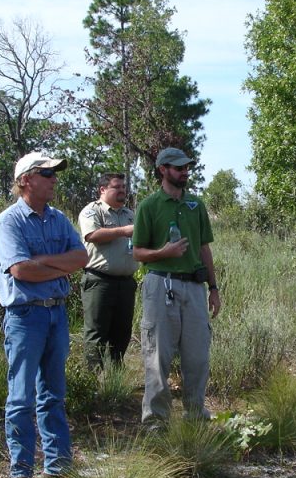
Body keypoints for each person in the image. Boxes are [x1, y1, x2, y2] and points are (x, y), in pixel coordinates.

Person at [0, 152, 88, 478]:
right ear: (26, 180)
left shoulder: (59, 219)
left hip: (56, 313)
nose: (54, 179)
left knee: (53, 394)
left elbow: (82, 258)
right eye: (47, 173)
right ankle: (20, 472)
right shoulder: (9, 222)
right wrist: (57, 267)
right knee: (21, 396)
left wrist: (45, 262)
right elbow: (20, 270)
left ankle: (59, 465)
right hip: (24, 316)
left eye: (54, 173)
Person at [132, 147, 220, 425]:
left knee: (197, 357)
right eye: (178, 168)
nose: (185, 172)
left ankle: (195, 414)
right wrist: (163, 253)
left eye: (186, 167)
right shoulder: (148, 206)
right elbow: (138, 253)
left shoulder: (196, 205)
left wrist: (214, 288)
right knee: (158, 355)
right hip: (160, 285)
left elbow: (204, 248)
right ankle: (156, 419)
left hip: (194, 288)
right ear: (163, 170)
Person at [78, 173, 138, 369]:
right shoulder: (92, 211)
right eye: (116, 187)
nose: (122, 190)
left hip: (126, 283)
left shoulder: (129, 214)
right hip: (99, 281)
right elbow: (92, 235)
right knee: (96, 333)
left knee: (122, 332)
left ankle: (115, 376)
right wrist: (124, 231)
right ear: (102, 190)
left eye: (123, 187)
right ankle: (92, 381)